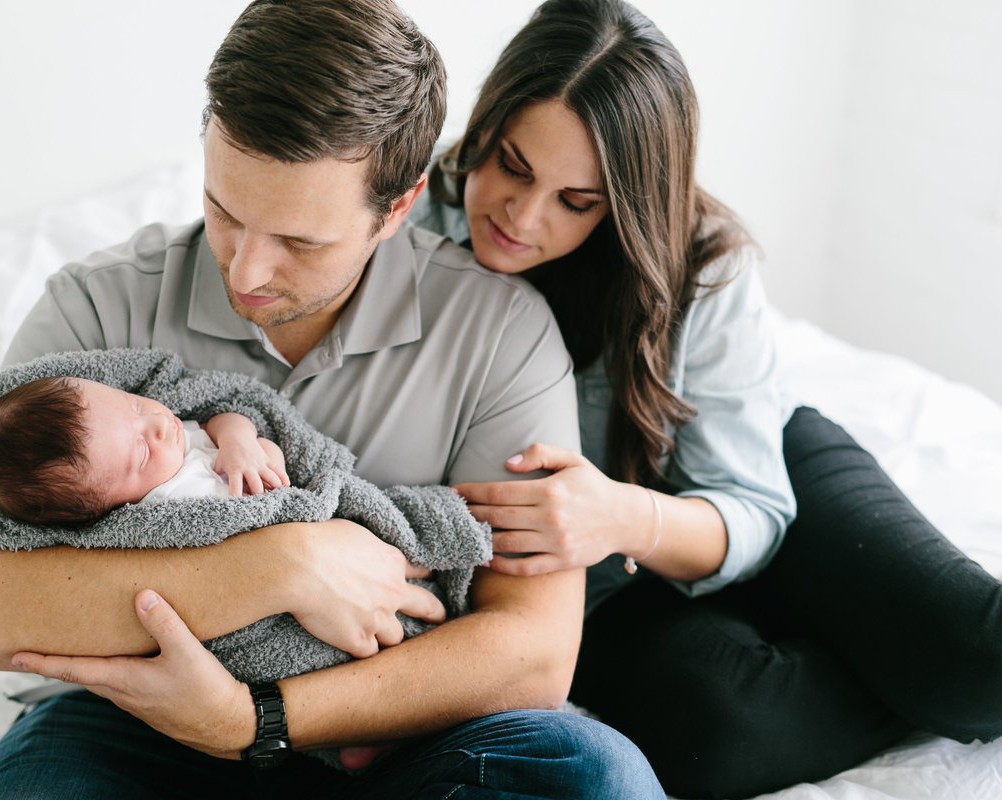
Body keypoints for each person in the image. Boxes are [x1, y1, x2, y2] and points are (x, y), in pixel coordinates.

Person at [0, 1, 664, 797]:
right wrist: (280, 565)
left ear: (399, 207)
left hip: (397, 731)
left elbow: (533, 652)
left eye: (300, 242)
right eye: (224, 210)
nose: (245, 272)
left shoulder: (501, 333)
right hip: (136, 722)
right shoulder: (97, 310)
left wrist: (259, 719)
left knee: (594, 775)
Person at [409, 1, 1002, 798]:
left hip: (743, 475)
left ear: (624, 201)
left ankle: (908, 660)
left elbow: (754, 506)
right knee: (715, 738)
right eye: (512, 165)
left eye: (576, 201)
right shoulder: (414, 216)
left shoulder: (700, 267)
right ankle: (887, 663)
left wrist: (621, 514)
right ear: (486, 124)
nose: (522, 215)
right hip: (600, 581)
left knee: (978, 664)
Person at [0, 375, 289, 527]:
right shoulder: (172, 505)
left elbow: (220, 421)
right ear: (117, 507)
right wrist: (263, 455)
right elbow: (270, 504)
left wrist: (238, 441)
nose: (157, 423)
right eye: (142, 451)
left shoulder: (172, 444)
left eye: (134, 405)